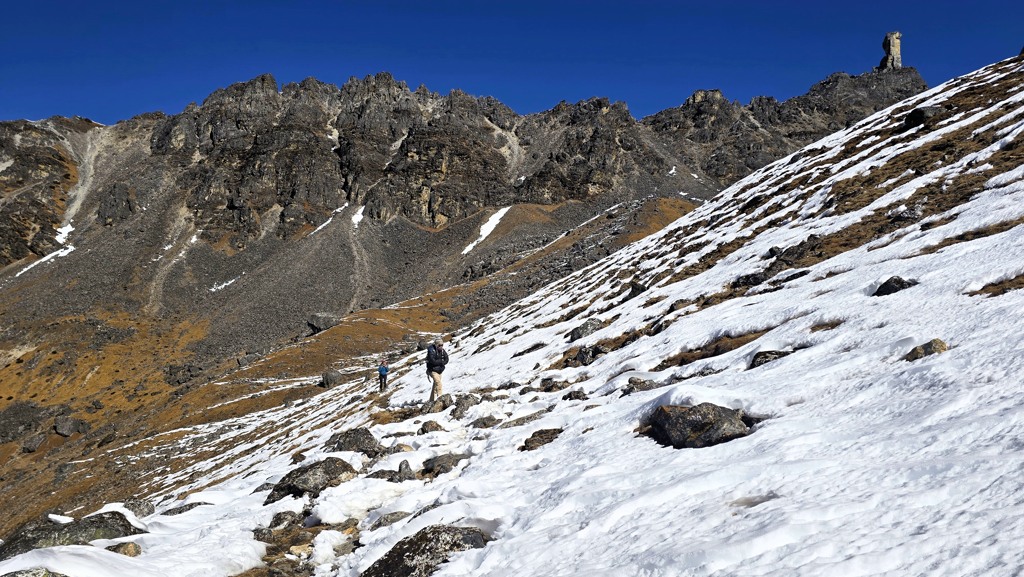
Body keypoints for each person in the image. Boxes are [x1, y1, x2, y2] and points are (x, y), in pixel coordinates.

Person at [425, 338, 448, 403]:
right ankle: (440, 398)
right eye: (439, 345)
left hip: (440, 370)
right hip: (432, 370)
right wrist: (441, 362)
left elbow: (447, 358)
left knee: (435, 385)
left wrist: (443, 362)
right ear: (436, 345)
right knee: (438, 383)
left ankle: (431, 400)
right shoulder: (431, 351)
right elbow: (432, 361)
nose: (441, 346)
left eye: (442, 345)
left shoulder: (442, 351)